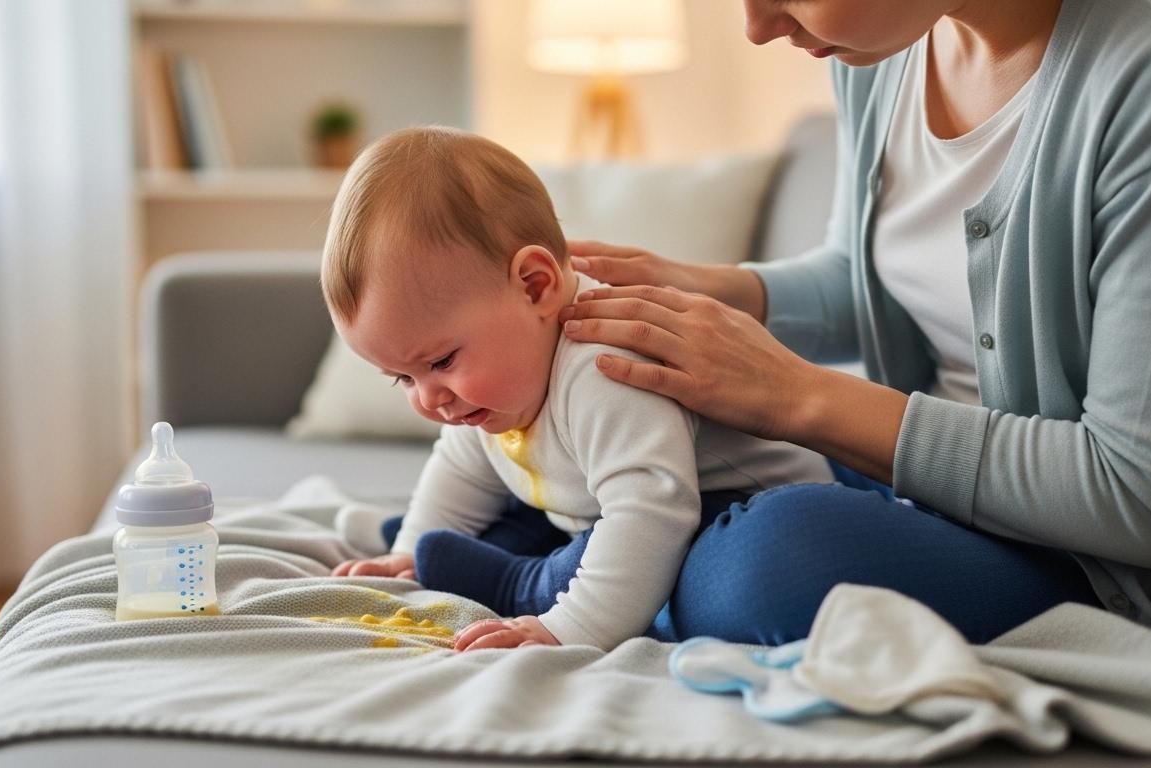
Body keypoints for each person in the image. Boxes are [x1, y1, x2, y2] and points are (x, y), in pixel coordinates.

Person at [555, 0, 1151, 645]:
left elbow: (1138, 497)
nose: (759, 26)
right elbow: (878, 284)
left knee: (767, 560)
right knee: (593, 439)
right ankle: (592, 564)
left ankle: (574, 570)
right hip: (901, 488)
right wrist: (708, 293)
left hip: (1067, 556)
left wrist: (796, 396)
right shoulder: (888, 51)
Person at [322, 126, 833, 651]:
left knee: (650, 552)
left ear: (535, 286)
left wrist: (567, 628)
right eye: (404, 378)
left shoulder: (606, 366)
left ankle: (523, 580)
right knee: (512, 504)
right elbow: (462, 466)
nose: (429, 398)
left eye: (441, 361)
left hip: (729, 508)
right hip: (603, 502)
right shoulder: (496, 380)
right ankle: (444, 548)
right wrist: (409, 553)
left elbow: (648, 514)